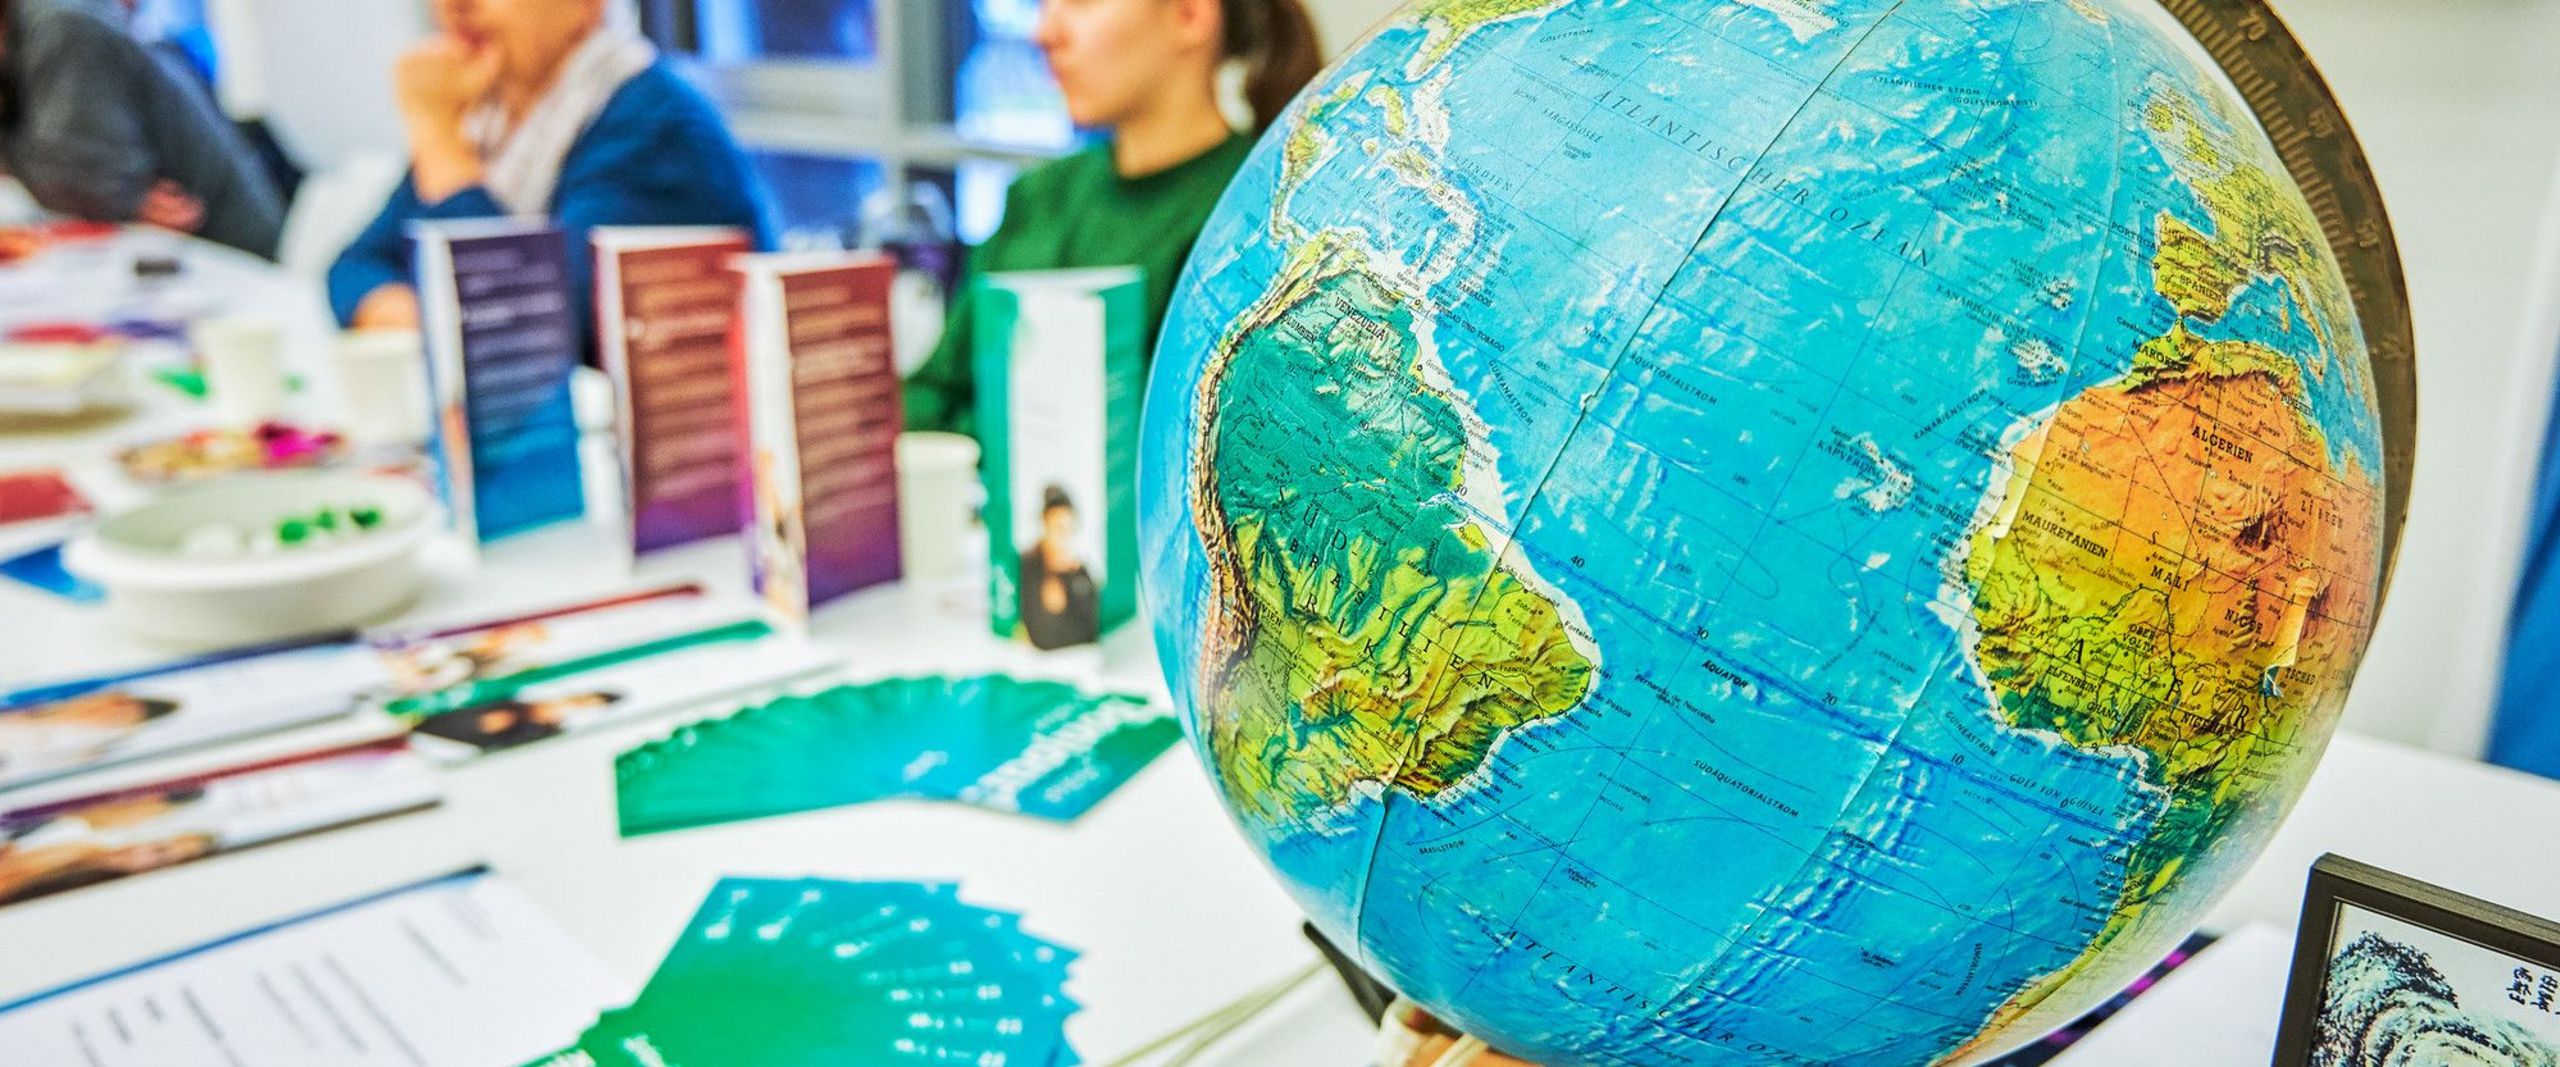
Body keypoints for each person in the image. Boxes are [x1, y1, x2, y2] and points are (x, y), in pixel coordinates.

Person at [902, 0, 1322, 435]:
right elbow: (931, 395)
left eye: (1081, 3)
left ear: (1189, 14)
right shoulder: (1039, 196)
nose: (1044, 32)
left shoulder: (1262, 221)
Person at [327, 0, 769, 348]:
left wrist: (439, 137)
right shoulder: (488, 120)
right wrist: (432, 321)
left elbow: (540, 330)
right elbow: (354, 267)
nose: (457, 4)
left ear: (586, 4)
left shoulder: (655, 123)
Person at [0, 0, 287, 258]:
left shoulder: (62, 23)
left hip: (227, 254)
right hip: (166, 250)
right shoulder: (26, 35)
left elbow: (85, 182)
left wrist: (109, 196)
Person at [0, 692, 179, 782]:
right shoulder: (55, 702)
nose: (113, 713)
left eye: (124, 716)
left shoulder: (90, 747)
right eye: (119, 707)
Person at [1016, 485, 1100, 649]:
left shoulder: (1079, 570)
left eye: (1069, 529)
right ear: (1045, 525)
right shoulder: (1028, 566)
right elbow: (1039, 637)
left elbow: (1095, 627)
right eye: (1058, 528)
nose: (1064, 536)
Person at [414, 689, 621, 751]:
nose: (575, 706)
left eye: (585, 707)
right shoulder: (509, 698)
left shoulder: (546, 733)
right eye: (581, 700)